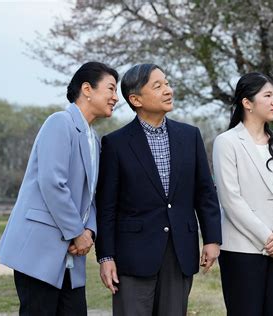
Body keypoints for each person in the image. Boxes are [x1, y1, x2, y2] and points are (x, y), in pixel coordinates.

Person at [95, 63, 222, 316]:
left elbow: (205, 193)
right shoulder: (116, 144)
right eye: (158, 86)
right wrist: (106, 257)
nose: (168, 90)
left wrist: (212, 238)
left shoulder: (190, 136)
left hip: (180, 251)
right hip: (133, 256)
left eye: (167, 83)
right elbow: (107, 206)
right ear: (135, 99)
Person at [0, 61, 119, 315]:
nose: (115, 97)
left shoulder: (93, 139)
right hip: (40, 250)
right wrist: (77, 232)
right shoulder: (59, 123)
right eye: (110, 89)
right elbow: (53, 183)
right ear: (87, 89)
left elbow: (91, 197)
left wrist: (90, 232)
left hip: (72, 256)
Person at [212, 72, 273, 315]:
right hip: (242, 249)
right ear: (247, 102)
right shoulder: (226, 142)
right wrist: (268, 238)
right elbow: (231, 200)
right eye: (268, 95)